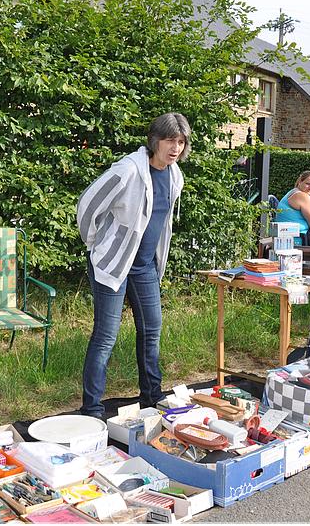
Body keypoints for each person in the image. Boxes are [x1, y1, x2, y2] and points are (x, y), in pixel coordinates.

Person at [76, 113, 191, 419]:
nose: (175, 147)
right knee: (105, 336)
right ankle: (92, 409)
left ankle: (152, 398)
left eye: (180, 141)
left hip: (145, 267)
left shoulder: (174, 174)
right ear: (155, 140)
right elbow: (87, 203)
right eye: (170, 140)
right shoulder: (128, 170)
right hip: (113, 265)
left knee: (152, 329)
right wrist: (95, 244)